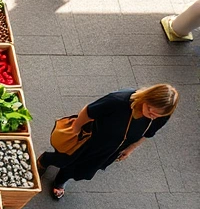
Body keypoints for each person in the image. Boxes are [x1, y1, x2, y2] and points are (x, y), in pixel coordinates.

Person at [38, 84, 178, 200]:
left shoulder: (162, 114)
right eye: (150, 110)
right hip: (89, 139)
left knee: (83, 169)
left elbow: (148, 133)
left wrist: (131, 148)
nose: (152, 116)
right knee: (65, 158)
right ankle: (45, 160)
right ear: (146, 98)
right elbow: (89, 111)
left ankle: (61, 180)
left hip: (110, 149)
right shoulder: (119, 100)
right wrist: (75, 128)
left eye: (157, 115)